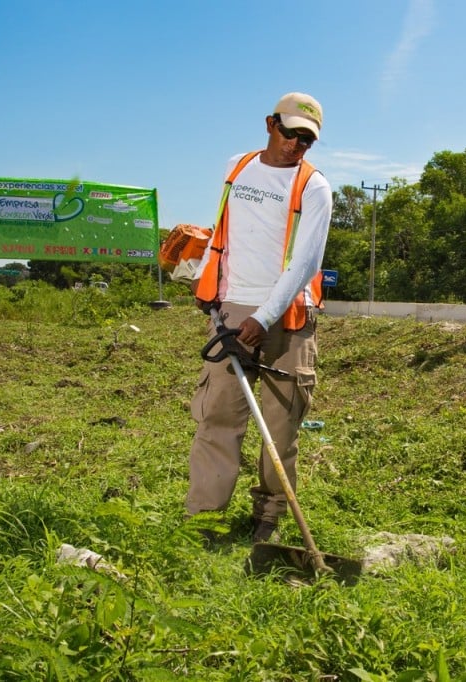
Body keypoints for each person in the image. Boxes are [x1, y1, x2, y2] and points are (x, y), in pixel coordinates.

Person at [186, 92, 332, 543]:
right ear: (271, 123)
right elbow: (224, 233)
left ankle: (268, 516)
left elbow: (306, 262)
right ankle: (205, 519)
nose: (295, 145)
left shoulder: (314, 187)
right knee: (218, 417)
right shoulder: (237, 167)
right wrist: (206, 282)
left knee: (282, 422)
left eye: (306, 140)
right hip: (232, 309)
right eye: (290, 133)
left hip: (287, 315)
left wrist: (263, 317)